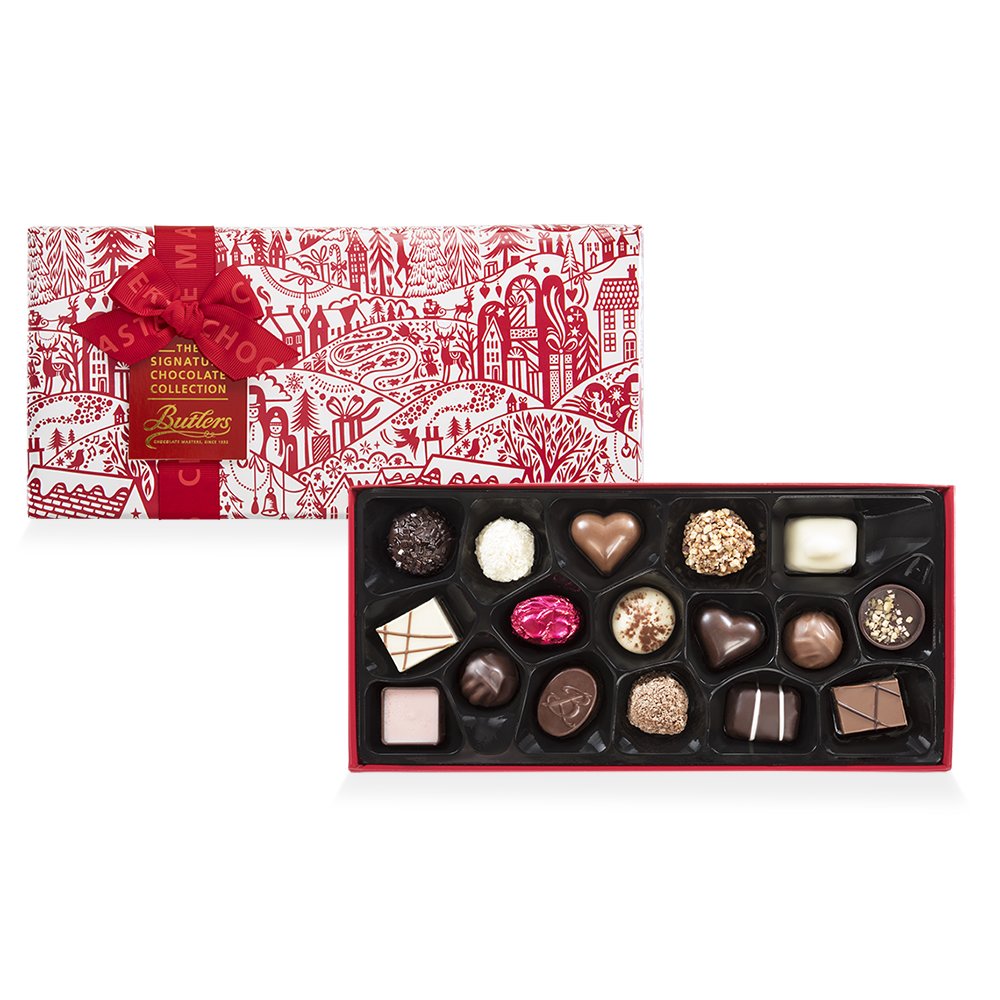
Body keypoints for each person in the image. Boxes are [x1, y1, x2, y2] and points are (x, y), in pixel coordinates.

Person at [264, 406, 296, 473]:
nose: (275, 429)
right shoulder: (270, 439)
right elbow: (267, 450)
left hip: (279, 462)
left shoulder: (281, 441)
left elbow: (283, 451)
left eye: (277, 427)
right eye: (273, 427)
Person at [248, 386, 267, 456]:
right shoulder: (244, 423)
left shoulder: (258, 424)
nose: (253, 413)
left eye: (255, 411)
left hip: (256, 450)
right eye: (250, 411)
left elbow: (260, 437)